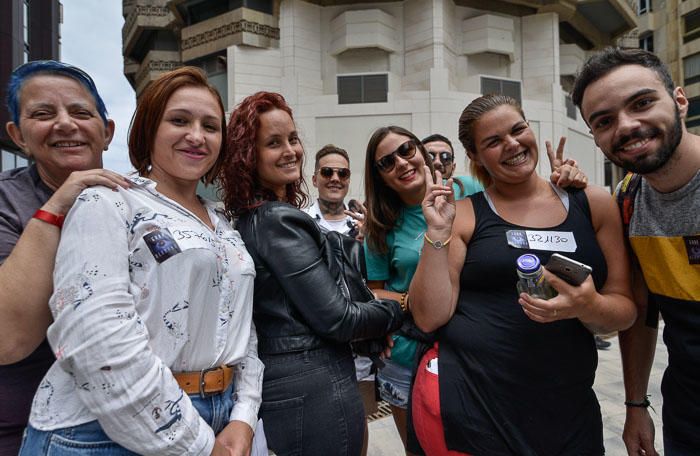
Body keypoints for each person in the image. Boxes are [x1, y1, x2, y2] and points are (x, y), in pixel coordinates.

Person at [20, 66, 263, 455]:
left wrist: (243, 414)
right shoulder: (107, 201)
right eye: (179, 120)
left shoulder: (222, 223)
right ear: (149, 128)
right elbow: (96, 339)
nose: (196, 136)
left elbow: (241, 327)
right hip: (102, 431)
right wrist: (198, 444)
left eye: (211, 126)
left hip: (220, 416)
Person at [408, 94, 636, 455]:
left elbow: (624, 310)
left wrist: (587, 305)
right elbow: (429, 315)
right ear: (477, 157)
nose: (512, 144)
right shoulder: (463, 214)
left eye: (518, 129)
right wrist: (436, 233)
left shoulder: (591, 202)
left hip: (568, 409)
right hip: (478, 405)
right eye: (493, 141)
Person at [362, 125, 584, 455]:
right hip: (410, 355)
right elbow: (373, 294)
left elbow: (522, 205)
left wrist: (559, 185)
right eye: (386, 162)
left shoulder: (470, 191)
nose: (401, 163)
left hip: (477, 350)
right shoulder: (381, 226)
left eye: (406, 150)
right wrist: (410, 301)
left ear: (421, 152)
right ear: (379, 176)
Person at [220, 91, 404, 456]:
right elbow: (339, 319)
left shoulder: (257, 217)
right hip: (313, 384)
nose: (290, 150)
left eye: (292, 138)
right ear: (248, 155)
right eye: (273, 143)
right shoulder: (276, 219)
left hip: (300, 383)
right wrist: (400, 308)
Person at [572, 47, 700, 455]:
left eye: (642, 103)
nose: (627, 126)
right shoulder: (627, 199)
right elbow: (643, 312)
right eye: (605, 121)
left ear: (679, 101)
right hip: (688, 409)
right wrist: (635, 404)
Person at [0, 60, 129, 455]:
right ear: (18, 136)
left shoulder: (140, 199)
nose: (65, 124)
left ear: (107, 132)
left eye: (80, 112)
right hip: (26, 430)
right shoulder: (7, 201)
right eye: (43, 114)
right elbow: (9, 339)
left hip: (135, 420)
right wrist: (56, 207)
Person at [304, 144, 360, 238]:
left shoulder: (363, 223)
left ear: (349, 180)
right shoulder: (300, 221)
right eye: (326, 172)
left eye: (343, 173)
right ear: (314, 180)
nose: (335, 179)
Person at [421, 134, 482, 200]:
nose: (437, 162)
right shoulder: (410, 189)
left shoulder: (473, 184)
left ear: (453, 168)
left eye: (445, 158)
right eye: (429, 157)